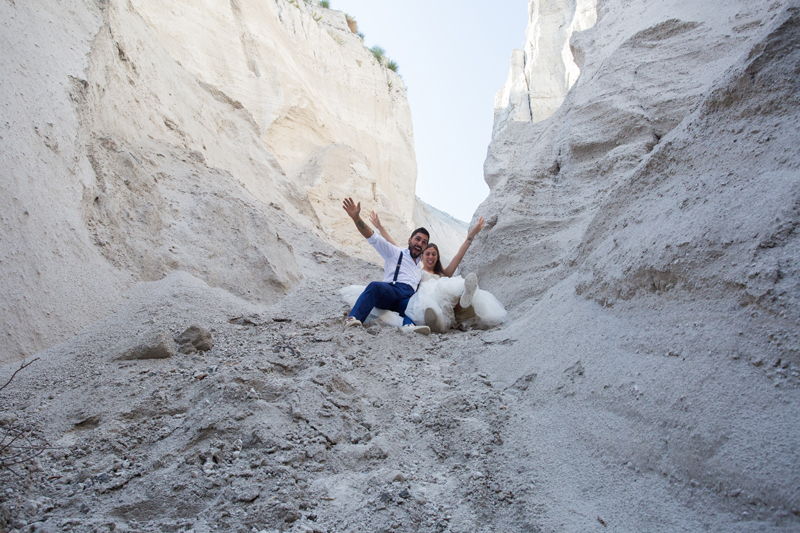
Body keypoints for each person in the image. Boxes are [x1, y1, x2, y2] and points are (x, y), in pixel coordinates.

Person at [364, 212, 507, 332]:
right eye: (427, 254)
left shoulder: (444, 274)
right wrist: (380, 227)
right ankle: (440, 315)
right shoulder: (416, 271)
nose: (431, 257)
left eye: (434, 254)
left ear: (437, 257)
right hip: (430, 306)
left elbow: (459, 255)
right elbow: (395, 247)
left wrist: (472, 234)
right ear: (422, 256)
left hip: (452, 305)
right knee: (434, 303)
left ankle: (465, 297)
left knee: (451, 285)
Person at [341, 197, 432, 335]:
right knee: (375, 286)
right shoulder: (396, 252)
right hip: (391, 291)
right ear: (410, 240)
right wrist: (356, 218)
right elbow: (373, 237)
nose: (419, 243)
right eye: (417, 239)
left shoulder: (420, 268)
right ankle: (354, 318)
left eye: (424, 242)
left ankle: (409, 326)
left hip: (407, 299)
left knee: (415, 306)